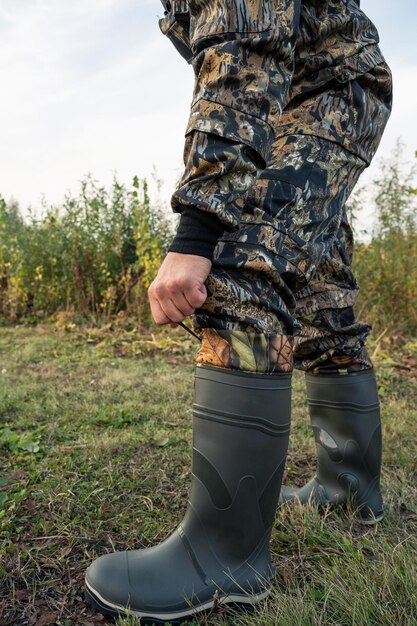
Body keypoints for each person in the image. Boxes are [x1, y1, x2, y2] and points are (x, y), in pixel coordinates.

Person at [85, 0, 392, 622]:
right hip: (325, 93)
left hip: (322, 95)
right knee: (321, 292)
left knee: (242, 263)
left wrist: (197, 236)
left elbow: (242, 60)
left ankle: (224, 558)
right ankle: (348, 488)